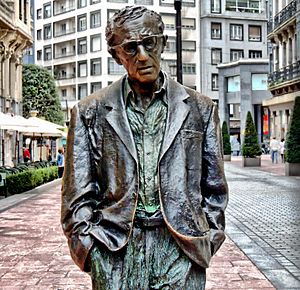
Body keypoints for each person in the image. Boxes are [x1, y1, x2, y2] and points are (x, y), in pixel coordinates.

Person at [61, 6, 228, 290]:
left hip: (180, 247)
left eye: (149, 42)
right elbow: (75, 196)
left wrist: (208, 238)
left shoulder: (201, 109)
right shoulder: (90, 112)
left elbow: (215, 188)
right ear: (116, 55)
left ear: (162, 43)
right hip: (115, 248)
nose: (141, 55)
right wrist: (90, 249)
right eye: (130, 47)